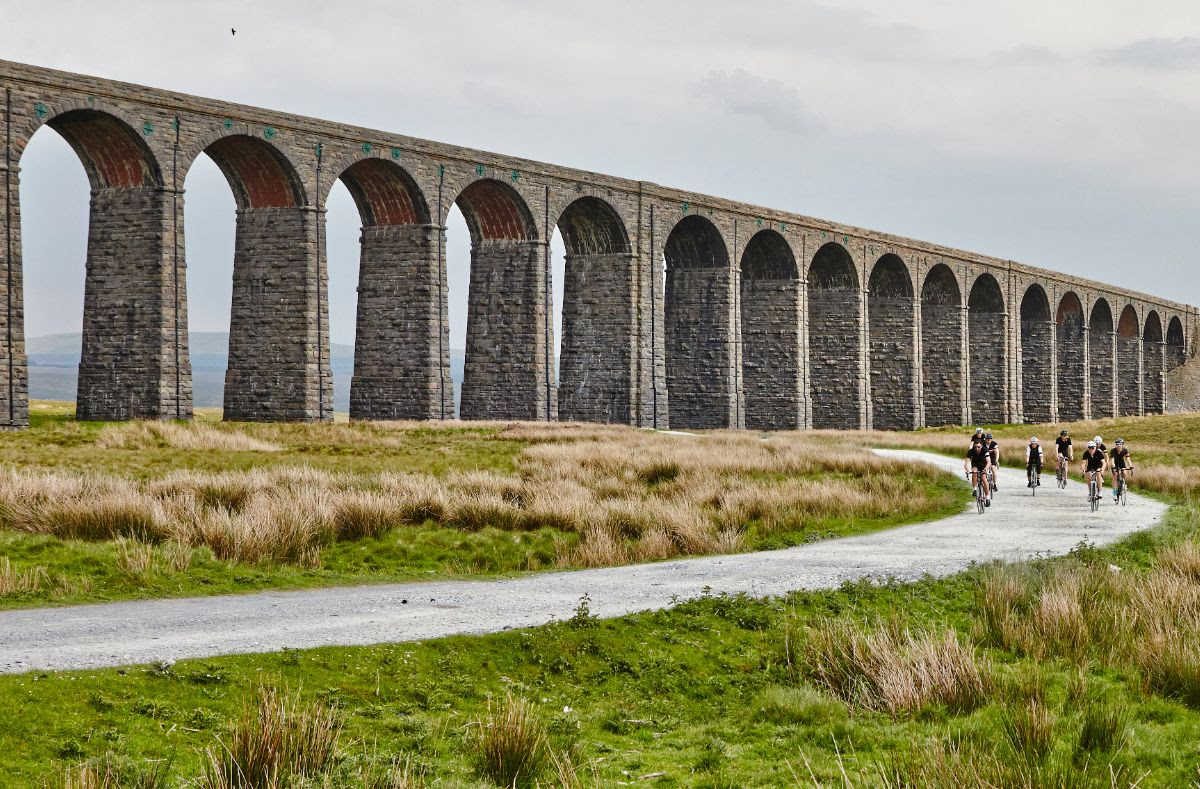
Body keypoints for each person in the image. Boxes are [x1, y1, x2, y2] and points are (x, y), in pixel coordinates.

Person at [964, 437, 992, 506]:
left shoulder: (985, 450)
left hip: (984, 465)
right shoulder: (971, 451)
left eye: (979, 447)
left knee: (983, 478)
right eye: (975, 447)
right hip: (975, 465)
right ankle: (975, 489)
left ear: (981, 446)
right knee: (974, 471)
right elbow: (966, 462)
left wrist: (986, 468)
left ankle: (987, 497)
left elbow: (989, 462)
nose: (977, 448)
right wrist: (967, 469)